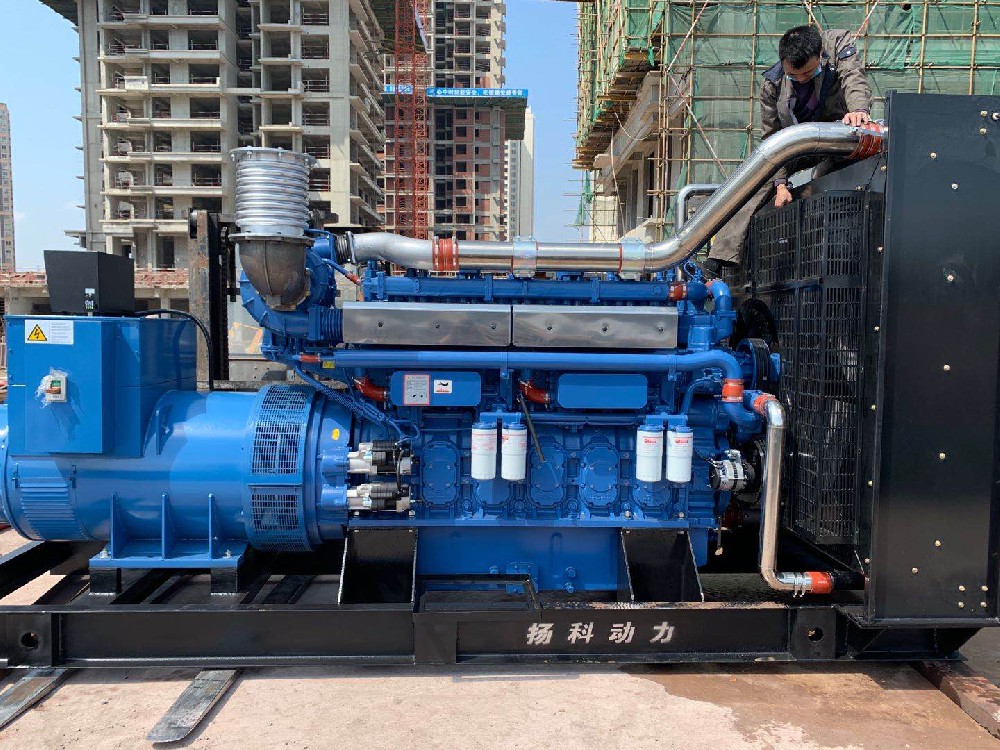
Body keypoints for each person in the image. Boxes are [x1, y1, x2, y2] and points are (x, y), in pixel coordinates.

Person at [708, 25, 873, 263]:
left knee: (840, 179)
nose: (801, 79)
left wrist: (858, 110)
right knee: (756, 175)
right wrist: (780, 184)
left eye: (808, 73)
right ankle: (721, 257)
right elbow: (771, 139)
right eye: (794, 76)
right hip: (799, 145)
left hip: (840, 135)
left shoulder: (836, 43)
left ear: (820, 54)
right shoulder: (772, 85)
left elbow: (853, 76)